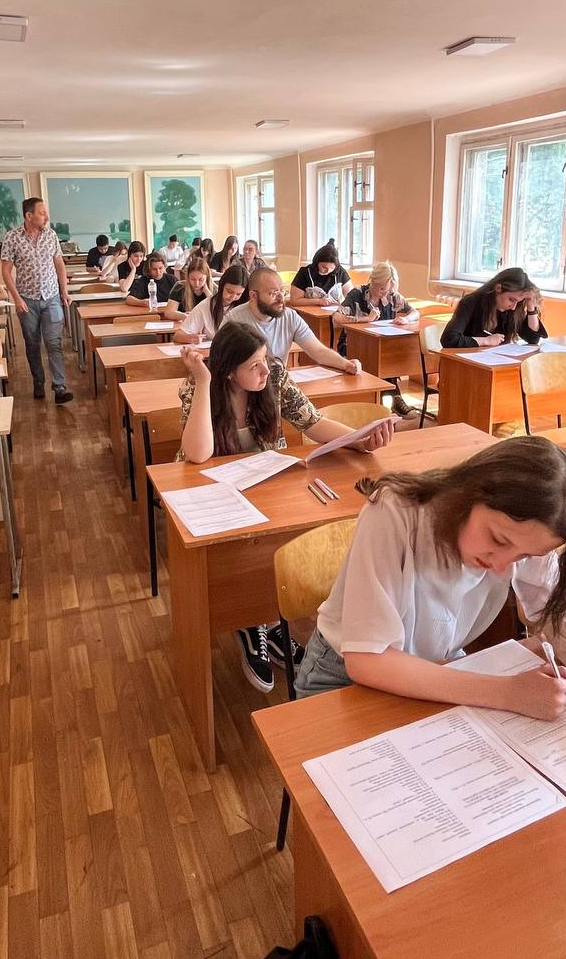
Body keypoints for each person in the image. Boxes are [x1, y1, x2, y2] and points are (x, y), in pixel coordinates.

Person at [293, 436, 566, 798]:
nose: (502, 567)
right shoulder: (395, 511)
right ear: (468, 493)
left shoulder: (529, 531)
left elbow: (564, 624)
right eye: (498, 540)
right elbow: (367, 660)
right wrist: (509, 693)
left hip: (442, 670)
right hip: (343, 677)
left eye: (524, 557)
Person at [179, 322, 397, 691]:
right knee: (240, 556)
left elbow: (313, 423)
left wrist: (359, 441)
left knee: (280, 542)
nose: (265, 370)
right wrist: (202, 381)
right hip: (217, 493)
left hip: (269, 484)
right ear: (229, 371)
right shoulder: (199, 386)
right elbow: (198, 454)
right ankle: (252, 623)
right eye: (254, 366)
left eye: (265, 360)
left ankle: (266, 619)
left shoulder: (275, 377)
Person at [0, 197, 72, 403]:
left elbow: (59, 264)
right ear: (28, 215)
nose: (46, 217)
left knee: (54, 343)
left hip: (51, 297)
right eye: (42, 213)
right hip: (26, 300)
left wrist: (64, 291)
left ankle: (59, 387)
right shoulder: (12, 238)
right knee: (32, 344)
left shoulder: (51, 235)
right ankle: (38, 382)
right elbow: (6, 272)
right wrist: (16, 299)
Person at [223, 267, 362, 373]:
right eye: (272, 293)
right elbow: (223, 365)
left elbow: (318, 351)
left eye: (281, 291)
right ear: (253, 296)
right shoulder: (233, 320)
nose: (280, 298)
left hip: (278, 385)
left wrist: (346, 364)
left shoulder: (290, 316)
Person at [337, 262, 420, 417]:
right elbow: (336, 317)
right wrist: (365, 319)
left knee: (388, 355)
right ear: (373, 282)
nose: (384, 293)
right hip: (353, 345)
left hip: (381, 345)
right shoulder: (357, 294)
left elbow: (415, 312)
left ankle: (392, 399)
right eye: (382, 289)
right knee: (378, 357)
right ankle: (388, 399)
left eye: (388, 290)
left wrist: (407, 319)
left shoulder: (392, 296)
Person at [440, 268, 547, 349]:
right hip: (465, 365)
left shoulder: (512, 310)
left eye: (518, 302)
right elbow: (449, 339)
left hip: (494, 365)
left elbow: (533, 339)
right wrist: (486, 341)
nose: (513, 307)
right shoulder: (471, 302)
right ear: (498, 288)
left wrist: (531, 307)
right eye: (511, 299)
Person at [174, 264, 248, 343]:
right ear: (221, 286)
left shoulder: (245, 308)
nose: (233, 297)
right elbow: (178, 336)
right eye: (229, 291)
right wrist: (192, 338)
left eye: (238, 294)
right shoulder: (205, 306)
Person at [290, 241, 352, 306]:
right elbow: (294, 301)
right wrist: (318, 301)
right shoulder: (304, 272)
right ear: (317, 262)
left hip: (333, 311)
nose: (328, 271)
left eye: (332, 268)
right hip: (309, 311)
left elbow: (351, 296)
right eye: (324, 267)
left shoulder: (340, 271)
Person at [165, 256, 213, 321]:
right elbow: (168, 312)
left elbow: (218, 311)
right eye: (192, 279)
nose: (196, 284)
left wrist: (207, 292)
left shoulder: (214, 289)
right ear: (187, 277)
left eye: (201, 279)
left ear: (207, 277)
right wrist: (183, 315)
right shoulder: (179, 287)